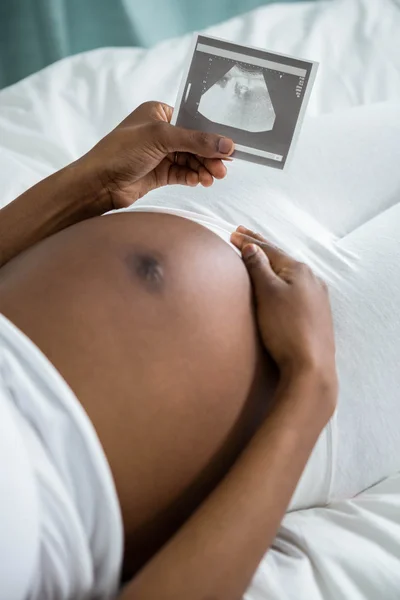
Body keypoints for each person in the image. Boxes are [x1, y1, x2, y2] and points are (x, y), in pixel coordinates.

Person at [0, 101, 337, 600]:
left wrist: (90, 186)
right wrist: (311, 384)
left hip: (172, 207)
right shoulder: (307, 377)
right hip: (284, 392)